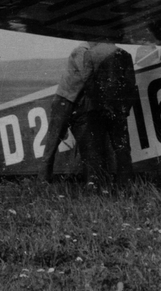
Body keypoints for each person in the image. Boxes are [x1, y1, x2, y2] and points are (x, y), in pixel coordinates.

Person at [40, 41, 135, 187]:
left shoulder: (90, 53)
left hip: (79, 103)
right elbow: (88, 77)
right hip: (65, 101)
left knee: (88, 147)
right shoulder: (81, 51)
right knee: (52, 144)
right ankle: (43, 181)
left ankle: (95, 183)